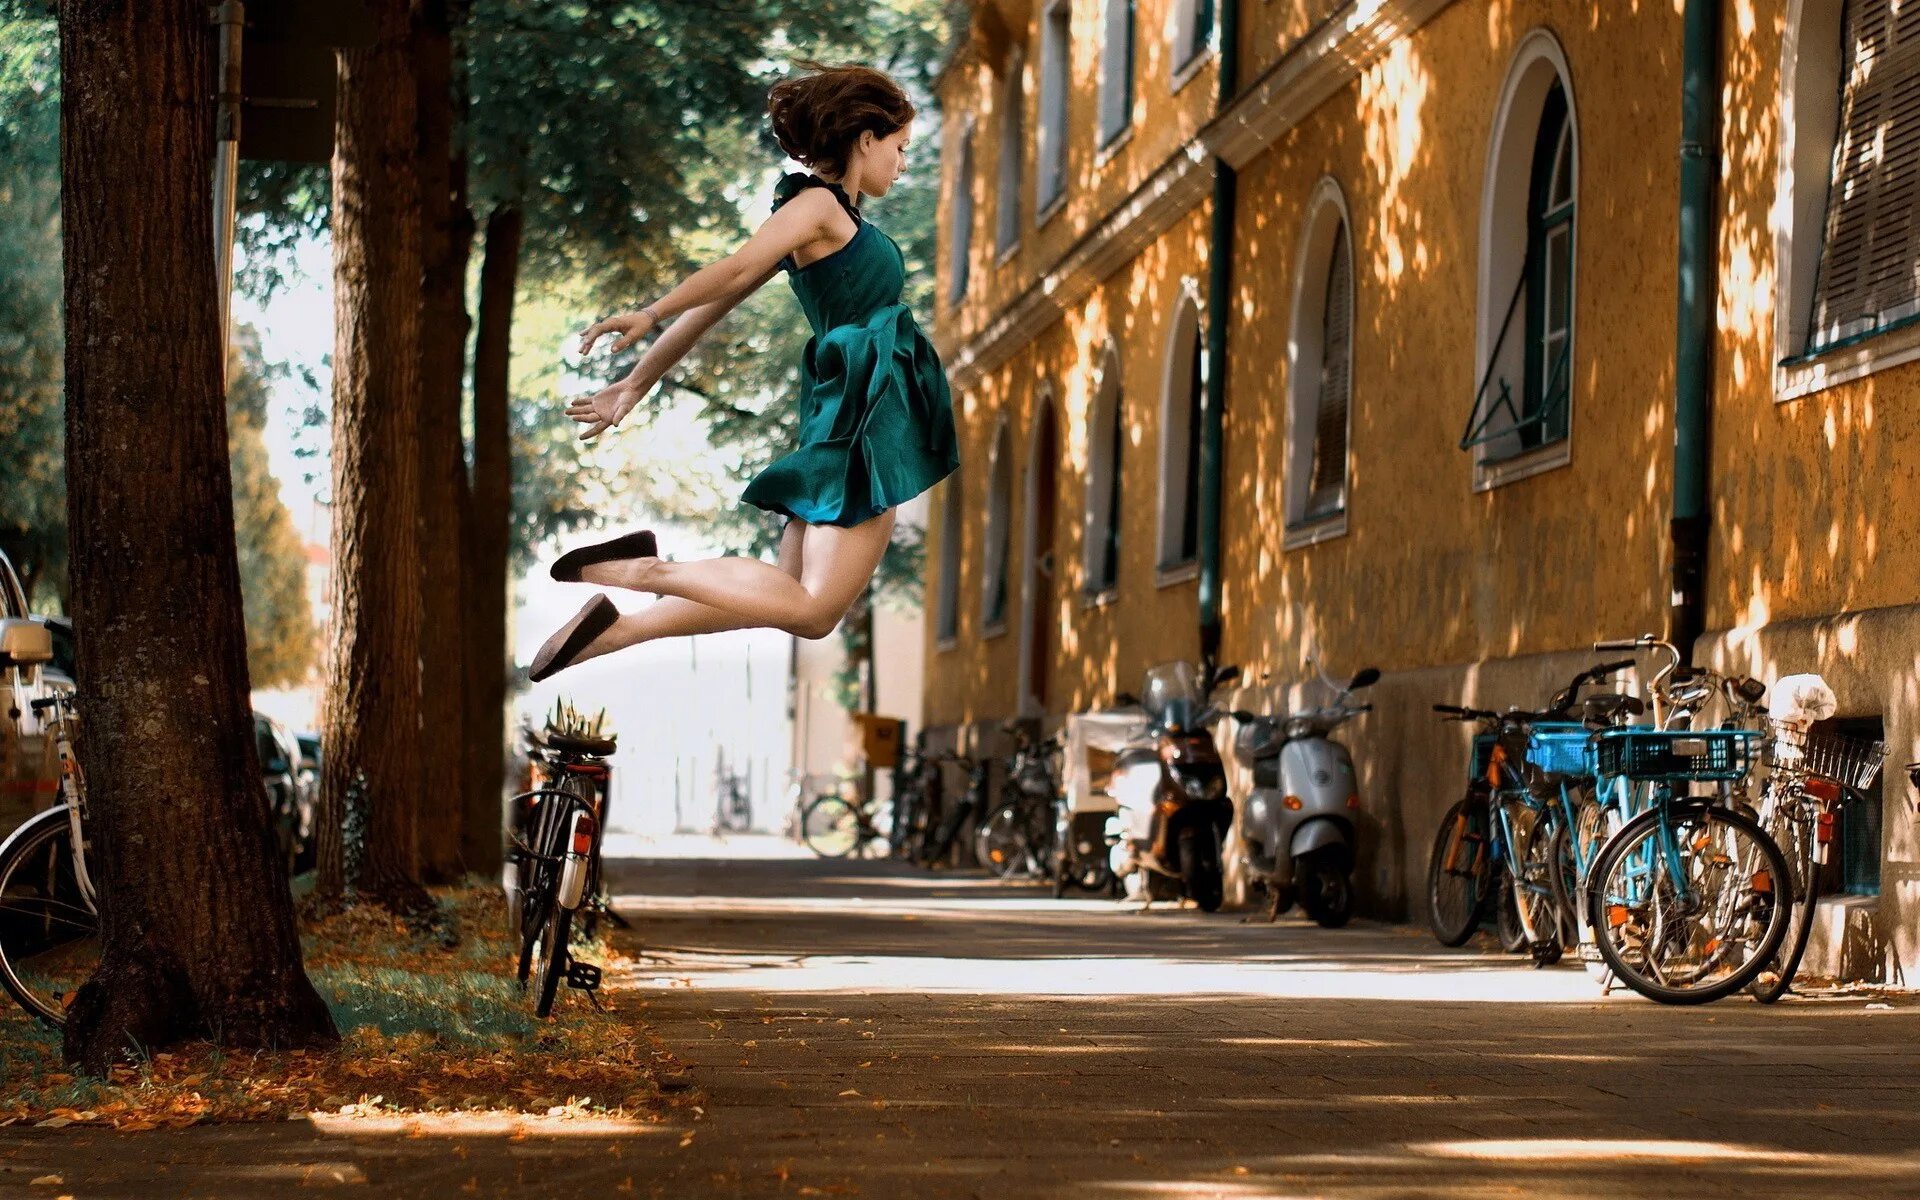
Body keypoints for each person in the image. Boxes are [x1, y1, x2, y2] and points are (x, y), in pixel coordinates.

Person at [529, 61, 960, 682]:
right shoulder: (818, 207)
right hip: (866, 417)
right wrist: (651, 313)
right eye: (900, 147)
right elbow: (729, 275)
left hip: (850, 409)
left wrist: (636, 381)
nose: (903, 162)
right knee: (812, 612)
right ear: (866, 139)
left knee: (783, 590)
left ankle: (618, 629)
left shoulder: (835, 219)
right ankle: (635, 571)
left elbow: (714, 309)